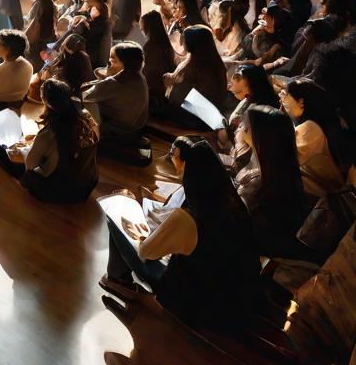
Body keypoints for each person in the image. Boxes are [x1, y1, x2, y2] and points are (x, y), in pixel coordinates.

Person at [101, 138, 261, 329]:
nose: (174, 163)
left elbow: (146, 253)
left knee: (116, 214)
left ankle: (118, 279)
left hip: (193, 301)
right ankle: (118, 278)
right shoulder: (235, 203)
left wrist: (142, 233)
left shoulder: (187, 218)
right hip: (233, 296)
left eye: (177, 159)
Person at [0, 78, 99, 203]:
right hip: (87, 184)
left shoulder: (51, 133)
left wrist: (23, 149)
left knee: (7, 158)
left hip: (61, 192)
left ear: (47, 103)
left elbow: (30, 164)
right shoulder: (86, 117)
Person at [235, 105, 311, 258]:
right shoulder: (281, 163)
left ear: (255, 134)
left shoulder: (257, 182)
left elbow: (237, 222)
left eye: (244, 126)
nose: (240, 130)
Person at [279, 78, 350, 197]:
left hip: (335, 194)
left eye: (286, 94)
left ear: (301, 102)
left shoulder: (309, 129)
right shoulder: (325, 118)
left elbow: (282, 158)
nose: (282, 99)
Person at [158, 25, 229, 127]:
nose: (182, 43)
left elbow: (192, 97)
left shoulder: (204, 67)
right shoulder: (203, 59)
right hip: (195, 113)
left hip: (196, 118)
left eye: (185, 40)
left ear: (193, 43)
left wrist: (174, 82)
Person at [82, 42, 149, 148]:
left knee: (83, 105)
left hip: (118, 130)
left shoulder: (115, 82)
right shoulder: (138, 76)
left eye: (112, 61)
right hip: (137, 127)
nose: (109, 65)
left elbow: (84, 96)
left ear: (126, 64)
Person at [140, 10, 176, 113]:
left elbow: (147, 73)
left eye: (142, 25)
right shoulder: (166, 43)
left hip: (154, 93)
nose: (141, 28)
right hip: (164, 89)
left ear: (148, 27)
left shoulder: (149, 46)